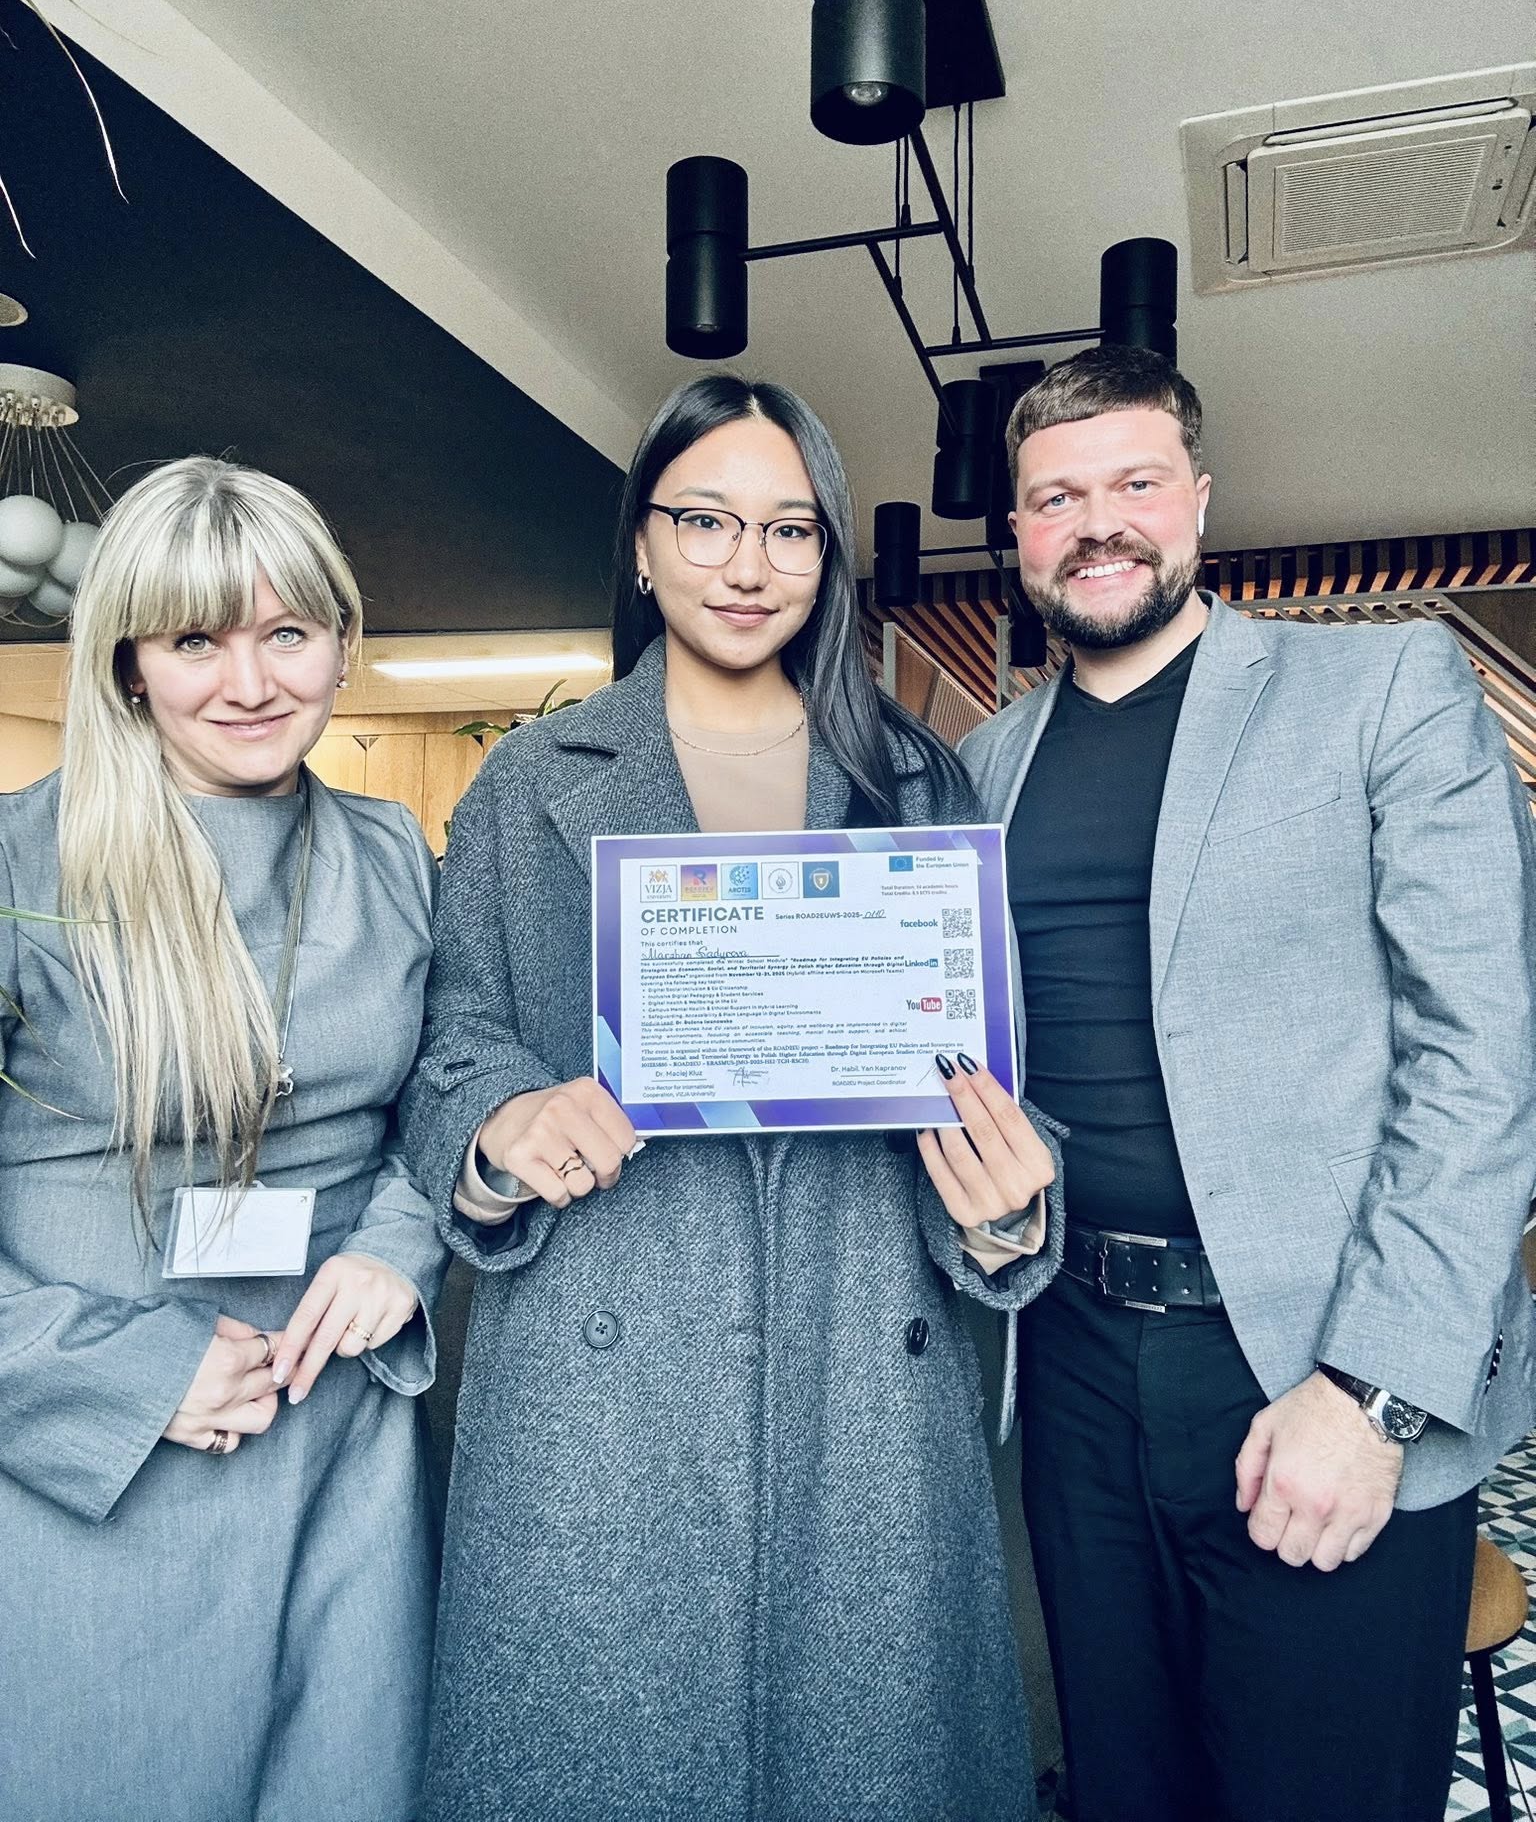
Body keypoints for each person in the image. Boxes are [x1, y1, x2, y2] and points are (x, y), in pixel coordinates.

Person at [401, 374, 1060, 1822]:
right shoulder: (528, 779)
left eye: (790, 529)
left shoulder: (916, 779)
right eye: (705, 520)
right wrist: (501, 1128)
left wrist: (1009, 1209)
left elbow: (993, 1076)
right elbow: (452, 1043)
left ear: (828, 557)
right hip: (598, 1403)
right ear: (642, 546)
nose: (747, 564)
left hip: (861, 1396)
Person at [958, 344, 1536, 1822]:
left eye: (1135, 483)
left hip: (1316, 1363)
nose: (1099, 523)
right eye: (1056, 497)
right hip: (1072, 1361)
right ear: (1017, 533)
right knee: (1124, 1788)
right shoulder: (979, 766)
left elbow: (1485, 1055)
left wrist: (1373, 1392)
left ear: (1200, 502)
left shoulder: (1383, 685)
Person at [0, 456, 448, 1822]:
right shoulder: (18, 864)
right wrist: (125, 1378)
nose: (250, 683)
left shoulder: (394, 855)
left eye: (287, 633)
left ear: (343, 642)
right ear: (128, 662)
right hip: (87, 1451)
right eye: (196, 640)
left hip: (340, 1440)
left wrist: (399, 1244)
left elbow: (446, 1097)